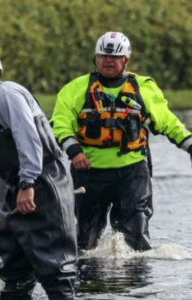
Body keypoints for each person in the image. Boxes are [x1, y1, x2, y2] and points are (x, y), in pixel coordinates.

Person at [0, 45, 77, 300]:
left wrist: (28, 181)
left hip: (43, 187)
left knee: (55, 272)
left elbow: (27, 136)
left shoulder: (7, 94)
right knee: (15, 277)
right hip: (18, 192)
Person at [50, 31, 192, 252]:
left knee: (136, 240)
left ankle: (137, 285)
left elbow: (167, 122)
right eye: (103, 56)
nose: (108, 61)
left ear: (125, 60)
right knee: (86, 242)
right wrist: (74, 152)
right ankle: (89, 283)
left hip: (132, 173)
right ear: (96, 58)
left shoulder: (144, 87)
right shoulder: (75, 89)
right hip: (89, 172)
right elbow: (59, 124)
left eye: (115, 57)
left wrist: (189, 145)